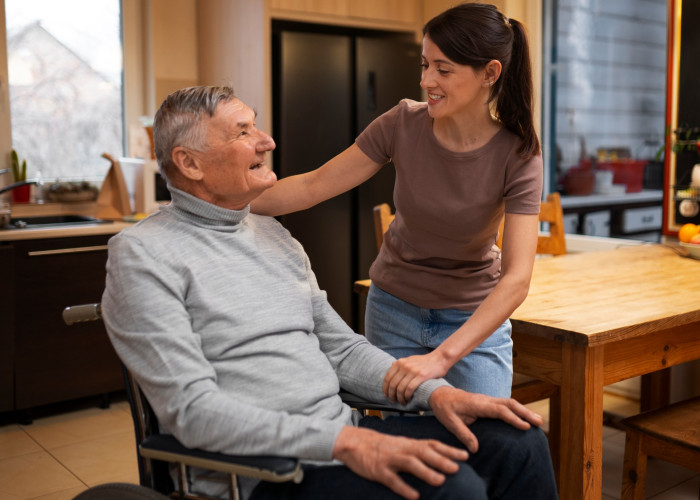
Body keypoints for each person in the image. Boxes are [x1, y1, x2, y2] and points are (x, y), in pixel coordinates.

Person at [102, 86, 557, 500]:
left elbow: (341, 351)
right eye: (243, 132)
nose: (267, 141)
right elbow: (192, 411)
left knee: (519, 440)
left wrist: (436, 394)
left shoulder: (273, 235)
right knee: (449, 489)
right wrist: (345, 441)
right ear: (190, 163)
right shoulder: (143, 254)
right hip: (262, 475)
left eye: (256, 124)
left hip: (337, 442)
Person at [250, 2, 542, 405]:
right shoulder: (402, 123)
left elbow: (516, 280)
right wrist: (219, 200)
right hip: (393, 312)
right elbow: (314, 185)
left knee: (485, 444)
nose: (426, 81)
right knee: (405, 449)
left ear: (489, 73)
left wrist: (443, 357)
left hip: (473, 322)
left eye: (443, 69)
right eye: (424, 65)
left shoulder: (519, 153)